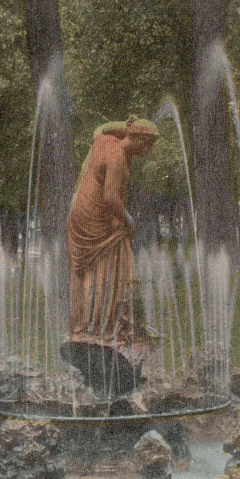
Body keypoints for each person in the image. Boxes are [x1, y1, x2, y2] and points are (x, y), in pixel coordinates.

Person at [67, 117, 159, 351]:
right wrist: (129, 220)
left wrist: (126, 126)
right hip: (99, 218)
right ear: (138, 139)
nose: (150, 151)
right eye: (148, 144)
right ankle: (106, 334)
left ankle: (80, 330)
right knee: (114, 270)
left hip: (80, 214)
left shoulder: (105, 140)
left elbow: (100, 127)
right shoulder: (118, 157)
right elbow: (110, 198)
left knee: (85, 272)